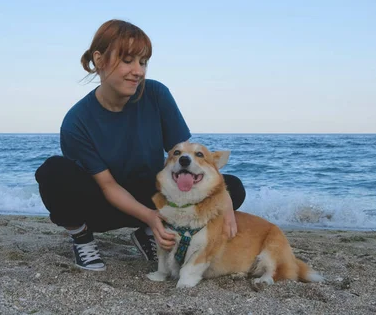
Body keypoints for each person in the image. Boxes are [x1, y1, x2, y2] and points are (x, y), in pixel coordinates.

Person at [35, 19, 246, 271]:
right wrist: (149, 215)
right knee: (53, 172)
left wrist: (221, 198)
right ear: (99, 59)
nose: (138, 71)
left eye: (143, 62)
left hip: (151, 196)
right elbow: (108, 185)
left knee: (232, 188)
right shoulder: (76, 121)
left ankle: (148, 232)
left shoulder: (156, 94)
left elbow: (186, 159)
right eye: (128, 61)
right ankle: (82, 239)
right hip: (102, 205)